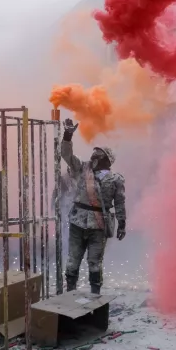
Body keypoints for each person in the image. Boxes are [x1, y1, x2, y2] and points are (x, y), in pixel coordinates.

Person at [60, 119, 126, 294]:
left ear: (106, 159)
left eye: (97, 155)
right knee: (72, 261)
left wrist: (122, 224)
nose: (93, 157)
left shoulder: (115, 179)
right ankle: (70, 294)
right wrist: (68, 134)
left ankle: (95, 297)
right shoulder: (82, 169)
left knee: (95, 264)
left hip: (98, 225)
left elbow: (119, 203)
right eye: (94, 154)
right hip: (77, 221)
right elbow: (67, 155)